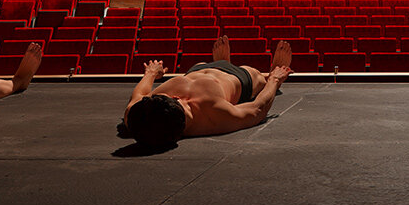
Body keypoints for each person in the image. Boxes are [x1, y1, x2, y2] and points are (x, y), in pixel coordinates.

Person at [118, 37, 293, 146]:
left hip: (197, 70)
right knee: (258, 77)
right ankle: (270, 72)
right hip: (236, 78)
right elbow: (257, 109)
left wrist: (151, 73)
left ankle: (221, 61)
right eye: (181, 103)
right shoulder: (214, 118)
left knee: (201, 64)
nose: (179, 97)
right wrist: (274, 80)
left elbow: (139, 94)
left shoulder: (137, 115)